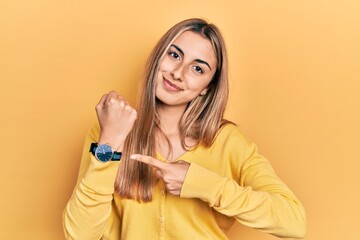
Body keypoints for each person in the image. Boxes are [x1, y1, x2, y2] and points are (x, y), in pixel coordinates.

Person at [63, 18, 306, 239]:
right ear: (158, 57)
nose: (178, 73)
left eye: (197, 68)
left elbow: (293, 222)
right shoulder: (108, 131)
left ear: (206, 88)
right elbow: (80, 234)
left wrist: (201, 183)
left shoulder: (229, 142)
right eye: (174, 55)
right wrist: (110, 144)